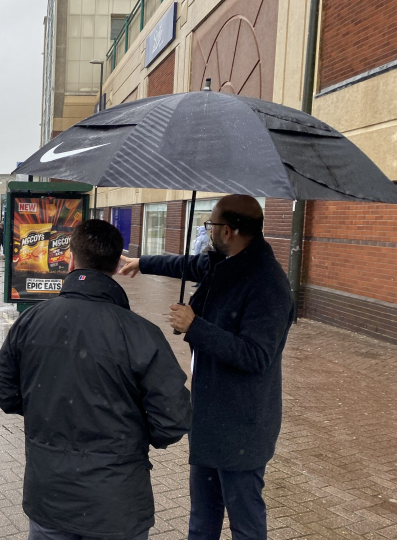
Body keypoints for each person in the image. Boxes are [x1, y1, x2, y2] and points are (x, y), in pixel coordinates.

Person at [0, 219, 192, 540]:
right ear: (116, 266)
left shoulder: (31, 322)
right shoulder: (142, 334)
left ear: (71, 259)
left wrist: (49, 412)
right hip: (117, 503)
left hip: (50, 497)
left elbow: (5, 393)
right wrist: (131, 438)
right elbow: (173, 419)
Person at [119, 195, 295, 540]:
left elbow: (257, 355)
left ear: (227, 230)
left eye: (210, 224)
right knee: (203, 515)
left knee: (245, 520)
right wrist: (143, 261)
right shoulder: (225, 263)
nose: (208, 230)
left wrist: (196, 326)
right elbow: (186, 265)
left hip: (242, 423)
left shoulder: (267, 284)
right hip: (210, 416)